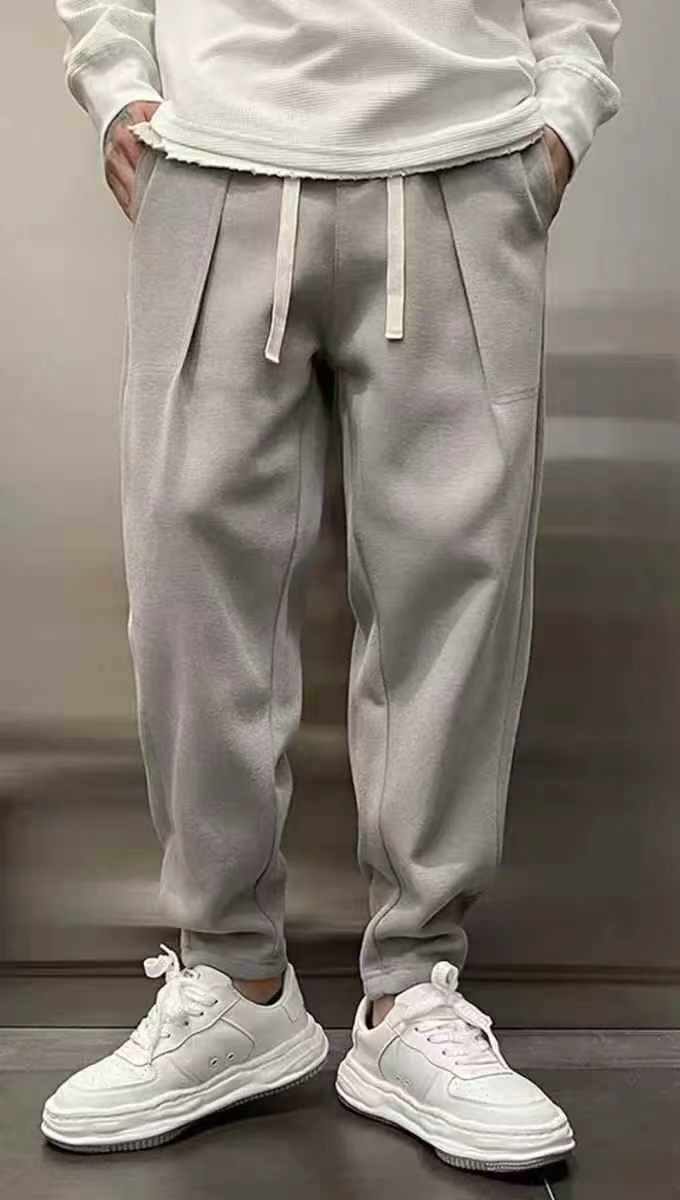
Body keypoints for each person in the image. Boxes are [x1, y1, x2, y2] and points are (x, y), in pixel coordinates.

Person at [44, 0, 622, 1172]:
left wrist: (561, 112)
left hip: (463, 159)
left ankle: (413, 990)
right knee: (188, 596)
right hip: (211, 157)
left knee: (452, 601)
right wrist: (115, 86)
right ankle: (232, 981)